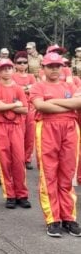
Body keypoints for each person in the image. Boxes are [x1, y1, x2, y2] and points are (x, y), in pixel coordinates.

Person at [30, 52, 81, 238]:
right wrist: (68, 105)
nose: (54, 69)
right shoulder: (38, 86)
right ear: (43, 67)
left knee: (67, 174)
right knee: (49, 174)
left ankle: (69, 217)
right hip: (47, 129)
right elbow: (41, 106)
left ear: (62, 67)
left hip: (70, 128)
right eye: (50, 66)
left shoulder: (69, 84)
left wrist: (53, 102)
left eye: (57, 66)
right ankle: (53, 218)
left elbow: (80, 102)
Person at [0, 58, 30, 209]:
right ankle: (10, 195)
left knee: (19, 160)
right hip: (0, 126)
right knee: (4, 161)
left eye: (9, 68)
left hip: (16, 126)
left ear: (13, 70)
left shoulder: (18, 88)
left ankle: (22, 194)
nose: (6, 71)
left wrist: (4, 105)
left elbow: (25, 109)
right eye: (3, 69)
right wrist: (14, 104)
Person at [11, 51, 36, 169]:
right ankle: (19, 158)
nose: (22, 65)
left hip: (30, 108)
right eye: (19, 62)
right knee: (19, 134)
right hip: (18, 108)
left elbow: (35, 89)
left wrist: (21, 88)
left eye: (24, 62)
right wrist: (26, 88)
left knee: (30, 135)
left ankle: (27, 159)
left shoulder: (31, 77)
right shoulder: (12, 76)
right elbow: (13, 90)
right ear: (15, 64)